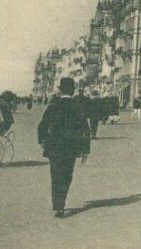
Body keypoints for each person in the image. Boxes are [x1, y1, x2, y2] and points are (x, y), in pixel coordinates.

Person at [37, 77, 91, 218]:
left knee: (56, 176)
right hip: (72, 147)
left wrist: (42, 140)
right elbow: (86, 129)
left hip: (54, 147)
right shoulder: (78, 107)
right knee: (67, 175)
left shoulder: (53, 106)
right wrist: (86, 149)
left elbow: (42, 125)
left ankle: (58, 206)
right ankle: (62, 203)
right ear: (73, 91)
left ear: (60, 90)